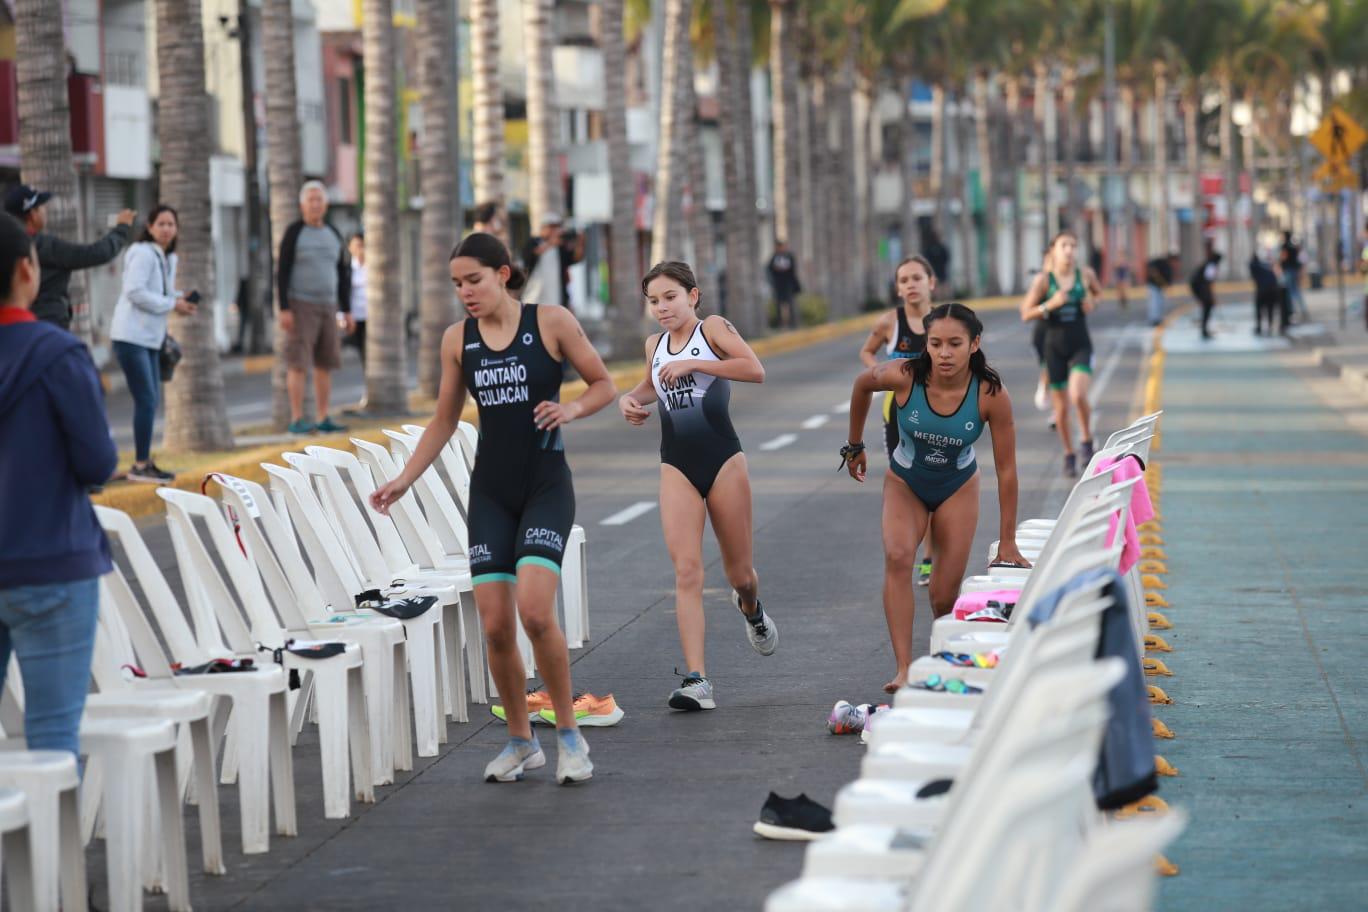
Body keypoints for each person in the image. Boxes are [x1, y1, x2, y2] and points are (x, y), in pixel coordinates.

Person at [370, 233, 614, 784]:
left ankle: (570, 735)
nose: (465, 292)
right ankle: (521, 742)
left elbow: (603, 385)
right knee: (497, 625)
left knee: (533, 610)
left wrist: (571, 409)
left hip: (546, 487)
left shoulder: (550, 322)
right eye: (457, 283)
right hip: (491, 494)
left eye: (473, 280)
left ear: (504, 274)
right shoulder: (458, 340)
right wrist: (404, 479)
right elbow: (444, 419)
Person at [842, 302, 1028, 693]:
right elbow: (862, 384)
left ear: (974, 344)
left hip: (957, 487)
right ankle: (905, 667)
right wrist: (854, 445)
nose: (944, 353)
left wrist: (1008, 539)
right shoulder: (905, 375)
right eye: (936, 343)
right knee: (897, 558)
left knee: (944, 596)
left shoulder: (990, 394)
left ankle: (942, 666)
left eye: (955, 344)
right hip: (905, 482)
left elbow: (1007, 469)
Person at [617, 261, 776, 712]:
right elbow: (653, 384)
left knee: (740, 574)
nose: (662, 307)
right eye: (653, 301)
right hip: (677, 466)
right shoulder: (655, 344)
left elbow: (754, 369)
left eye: (670, 297)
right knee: (687, 571)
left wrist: (694, 362)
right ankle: (697, 680)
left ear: (693, 295)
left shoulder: (713, 329)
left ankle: (752, 609)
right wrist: (630, 399)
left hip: (724, 461)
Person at [0, 211, 116, 758]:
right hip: (51, 562)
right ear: (27, 269)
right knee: (51, 742)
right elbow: (97, 463)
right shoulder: (59, 355)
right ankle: (49, 847)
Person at [859, 255, 936, 587]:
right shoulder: (890, 322)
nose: (911, 285)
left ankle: (932, 557)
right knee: (910, 483)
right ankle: (918, 552)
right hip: (898, 412)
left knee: (936, 479)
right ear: (898, 288)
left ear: (931, 282)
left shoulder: (944, 321)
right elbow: (867, 352)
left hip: (938, 409)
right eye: (904, 280)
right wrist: (880, 372)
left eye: (917, 278)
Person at [108, 205, 198, 484]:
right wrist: (172, 303)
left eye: (171, 224)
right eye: (161, 223)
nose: (167, 229)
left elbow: (160, 293)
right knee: (146, 399)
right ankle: (140, 464)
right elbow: (134, 292)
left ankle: (144, 461)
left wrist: (181, 298)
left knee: (150, 399)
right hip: (130, 336)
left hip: (149, 338)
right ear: (149, 227)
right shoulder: (144, 254)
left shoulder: (167, 257)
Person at [1021, 230, 1102, 477]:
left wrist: (1092, 303)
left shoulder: (1085, 275)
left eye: (1073, 245)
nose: (1069, 250)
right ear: (1054, 250)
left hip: (1080, 344)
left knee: (1078, 395)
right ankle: (1069, 452)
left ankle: (1087, 440)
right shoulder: (1044, 281)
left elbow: (1098, 293)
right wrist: (1050, 304)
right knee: (1062, 409)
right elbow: (1025, 313)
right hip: (1053, 347)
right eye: (1064, 245)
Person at [276, 180, 353, 435]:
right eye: (311, 200)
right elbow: (282, 271)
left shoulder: (333, 233)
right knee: (298, 362)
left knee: (325, 363)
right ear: (302, 205)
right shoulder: (294, 232)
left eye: (320, 200)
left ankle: (323, 416)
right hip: (301, 305)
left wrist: (347, 309)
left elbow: (343, 273)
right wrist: (285, 307)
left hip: (328, 306)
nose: (316, 204)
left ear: (326, 204)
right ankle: (297, 418)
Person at [3, 183, 134, 330]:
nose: (45, 211)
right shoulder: (45, 246)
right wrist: (122, 228)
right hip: (49, 325)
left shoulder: (6, 246)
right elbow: (97, 253)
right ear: (33, 215)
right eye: (41, 207)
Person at [521, 213, 584, 309]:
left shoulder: (560, 247)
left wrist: (580, 242)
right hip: (533, 295)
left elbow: (575, 259)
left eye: (557, 227)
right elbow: (529, 256)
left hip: (555, 299)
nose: (555, 231)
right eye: (552, 227)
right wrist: (550, 243)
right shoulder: (533, 242)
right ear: (543, 227)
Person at [766, 240, 801, 329]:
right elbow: (770, 269)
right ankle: (780, 323)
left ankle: (793, 323)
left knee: (790, 303)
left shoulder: (789, 256)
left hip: (788, 284)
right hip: (778, 284)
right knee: (779, 304)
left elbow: (792, 271)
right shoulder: (774, 257)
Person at [1189, 245, 1221, 341]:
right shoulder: (1211, 266)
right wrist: (1211, 296)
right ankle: (1204, 330)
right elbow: (1208, 282)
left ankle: (1205, 329)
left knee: (1207, 306)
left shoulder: (1209, 264)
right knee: (1207, 306)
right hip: (1200, 288)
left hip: (1199, 287)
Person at [1249, 252, 1284, 337]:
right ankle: (1269, 326)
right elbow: (1278, 275)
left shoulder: (1255, 266)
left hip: (1263, 290)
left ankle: (1259, 327)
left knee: (1260, 309)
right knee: (1270, 309)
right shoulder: (1270, 266)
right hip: (1272, 290)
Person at [1278, 230, 1307, 323]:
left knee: (1289, 292)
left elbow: (1283, 258)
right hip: (1294, 270)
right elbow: (1299, 259)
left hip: (1288, 271)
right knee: (1296, 291)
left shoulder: (1285, 246)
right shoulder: (1294, 246)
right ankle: (1302, 309)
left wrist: (1280, 265)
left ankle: (1292, 311)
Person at [1144, 253, 1176, 327]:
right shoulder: (1161, 262)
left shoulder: (1169, 268)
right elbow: (1152, 268)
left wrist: (1167, 287)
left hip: (1160, 286)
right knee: (1154, 303)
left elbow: (1168, 281)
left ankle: (1159, 319)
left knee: (1160, 303)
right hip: (1153, 285)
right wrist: (1154, 273)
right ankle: (1153, 320)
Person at [921, 225, 950, 296]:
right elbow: (926, 259)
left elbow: (946, 257)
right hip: (934, 269)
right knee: (936, 284)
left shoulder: (941, 247)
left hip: (941, 269)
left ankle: (943, 296)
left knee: (942, 283)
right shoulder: (929, 248)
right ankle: (938, 296)